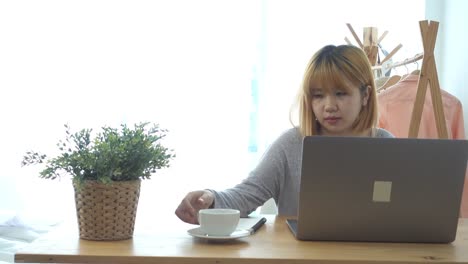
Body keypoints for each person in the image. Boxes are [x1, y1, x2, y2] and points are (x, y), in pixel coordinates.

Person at [175, 44, 394, 224]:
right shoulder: (291, 143)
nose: (329, 106)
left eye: (340, 94)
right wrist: (210, 199)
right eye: (318, 96)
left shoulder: (388, 146)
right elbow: (247, 195)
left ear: (365, 95)